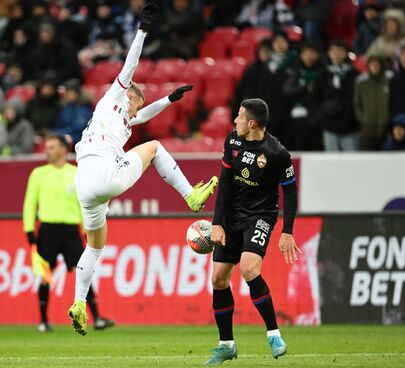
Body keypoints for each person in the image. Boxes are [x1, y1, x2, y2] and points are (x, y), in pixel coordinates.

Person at [67, 2, 218, 336]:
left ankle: (79, 302)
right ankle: (190, 195)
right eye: (139, 99)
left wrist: (168, 101)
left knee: (94, 245)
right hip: (105, 173)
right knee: (155, 148)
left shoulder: (118, 118)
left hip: (85, 181)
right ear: (129, 95)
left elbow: (143, 115)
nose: (139, 106)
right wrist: (142, 30)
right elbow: (130, 63)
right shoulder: (115, 95)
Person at [205, 98, 300, 365]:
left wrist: (287, 231)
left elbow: (290, 190)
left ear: (252, 123)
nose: (234, 120)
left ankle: (274, 335)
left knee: (248, 268)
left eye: (239, 116)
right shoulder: (232, 142)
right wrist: (217, 222)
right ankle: (226, 345)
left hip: (260, 216)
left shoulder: (277, 152)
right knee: (219, 279)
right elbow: (224, 182)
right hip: (232, 216)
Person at [23, 134, 115, 332]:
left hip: (71, 230)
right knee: (45, 274)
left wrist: (85, 230)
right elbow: (30, 203)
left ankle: (97, 318)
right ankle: (43, 321)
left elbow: (84, 205)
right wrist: (29, 230)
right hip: (47, 229)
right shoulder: (38, 174)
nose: (48, 150)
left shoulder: (76, 173)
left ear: (64, 150)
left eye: (52, 147)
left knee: (83, 271)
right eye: (47, 147)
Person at [312, 38, 359, 151]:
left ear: (346, 53)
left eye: (340, 51)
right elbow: (314, 98)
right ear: (329, 53)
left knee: (351, 163)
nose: (337, 54)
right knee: (332, 163)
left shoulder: (354, 74)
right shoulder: (322, 74)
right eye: (334, 51)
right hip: (329, 126)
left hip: (350, 126)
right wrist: (322, 116)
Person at [354, 54, 390, 150]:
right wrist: (362, 119)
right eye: (372, 63)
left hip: (386, 128)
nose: (375, 65)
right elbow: (357, 103)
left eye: (377, 63)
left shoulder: (389, 80)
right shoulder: (361, 82)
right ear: (368, 65)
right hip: (367, 129)